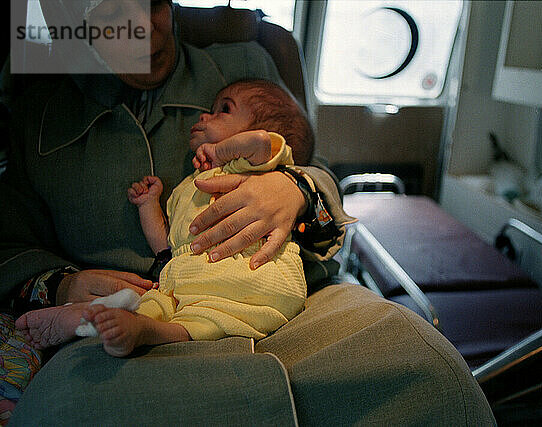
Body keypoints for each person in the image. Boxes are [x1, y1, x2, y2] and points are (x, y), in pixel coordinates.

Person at [1, 1, 495, 424]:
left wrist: (295, 188)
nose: (148, 28)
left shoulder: (245, 61)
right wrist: (59, 284)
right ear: (70, 19)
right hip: (127, 329)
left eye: (154, 1)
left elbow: (317, 170)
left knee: (428, 375)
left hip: (291, 310)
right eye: (111, 13)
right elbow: (8, 244)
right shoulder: (39, 111)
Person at [17, 79, 310, 357]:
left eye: (225, 109)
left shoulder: (254, 168)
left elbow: (260, 142)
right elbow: (167, 246)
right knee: (161, 305)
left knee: (208, 317)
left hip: (249, 270)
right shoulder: (187, 186)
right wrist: (148, 205)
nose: (206, 115)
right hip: (188, 273)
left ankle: (138, 328)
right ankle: (92, 318)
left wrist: (222, 151)